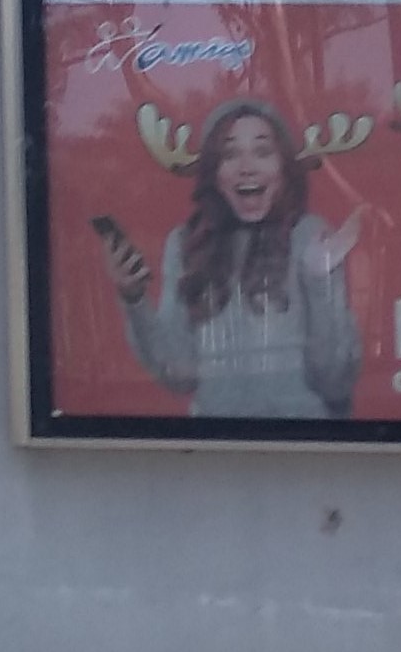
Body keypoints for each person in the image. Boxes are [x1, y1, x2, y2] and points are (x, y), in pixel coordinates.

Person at [99, 98, 362, 418]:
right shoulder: (185, 244)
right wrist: (134, 299)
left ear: (283, 167)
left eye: (263, 151)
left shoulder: (310, 236)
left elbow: (335, 382)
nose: (246, 167)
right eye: (229, 154)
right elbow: (178, 374)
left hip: (300, 439)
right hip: (217, 441)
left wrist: (319, 281)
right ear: (213, 171)